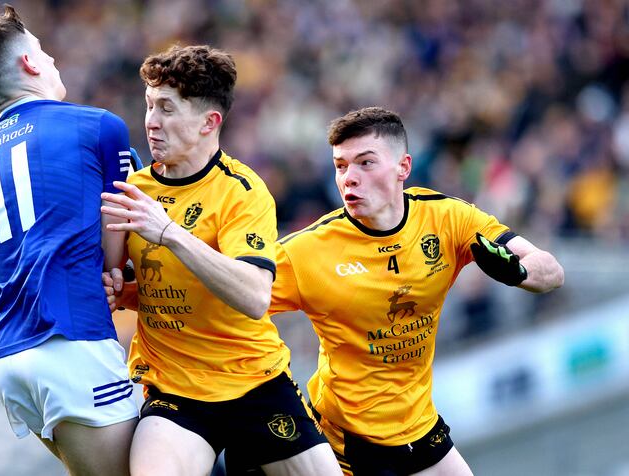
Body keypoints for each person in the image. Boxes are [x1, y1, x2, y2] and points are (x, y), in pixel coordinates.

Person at [268, 107, 565, 475]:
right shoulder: (307, 251)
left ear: (403, 167)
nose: (349, 178)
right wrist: (276, 384)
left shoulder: (447, 218)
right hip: (347, 443)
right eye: (340, 166)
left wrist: (518, 271)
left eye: (365, 163)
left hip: (421, 429)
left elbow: (551, 271)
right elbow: (234, 305)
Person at [99, 45, 342, 476]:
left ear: (209, 122)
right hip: (176, 391)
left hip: (255, 381)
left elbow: (254, 295)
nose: (151, 121)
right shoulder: (132, 192)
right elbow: (126, 283)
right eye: (149, 105)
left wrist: (169, 233)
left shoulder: (241, 191)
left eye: (167, 109)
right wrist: (119, 290)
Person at [0, 6, 138, 475]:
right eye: (43, 50)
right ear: (30, 63)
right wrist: (117, 273)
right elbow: (119, 233)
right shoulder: (98, 126)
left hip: (6, 356)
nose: (53, 59)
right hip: (71, 340)